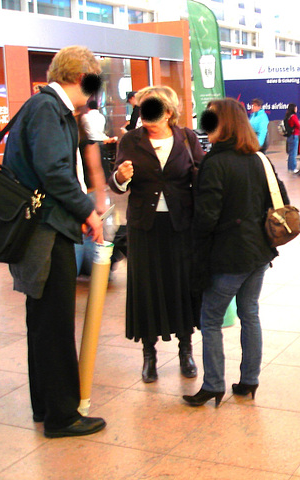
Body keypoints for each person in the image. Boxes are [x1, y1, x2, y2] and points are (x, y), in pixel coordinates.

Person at [3, 45, 106, 438]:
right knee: (55, 325)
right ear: (82, 78)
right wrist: (86, 211)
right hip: (45, 237)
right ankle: (62, 417)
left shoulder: (48, 108)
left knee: (44, 324)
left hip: (43, 231)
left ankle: (45, 406)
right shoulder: (48, 110)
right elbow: (54, 171)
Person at [184, 98, 290, 407]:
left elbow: (206, 218)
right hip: (259, 252)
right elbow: (280, 197)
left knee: (211, 319)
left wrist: (196, 255)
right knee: (250, 313)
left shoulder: (215, 163)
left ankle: (213, 384)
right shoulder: (259, 158)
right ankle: (248, 381)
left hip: (229, 256)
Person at [108, 86, 204, 384]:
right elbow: (116, 181)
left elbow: (202, 175)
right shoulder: (130, 140)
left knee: (181, 285)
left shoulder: (186, 138)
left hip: (180, 225)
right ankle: (149, 356)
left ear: (169, 112)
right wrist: (119, 179)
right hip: (144, 226)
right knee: (147, 287)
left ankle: (185, 350)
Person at [284, 103, 300, 173]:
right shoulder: (293, 116)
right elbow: (298, 125)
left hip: (289, 136)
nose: (296, 109)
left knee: (291, 152)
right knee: (294, 153)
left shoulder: (288, 116)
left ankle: (289, 168)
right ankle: (293, 168)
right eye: (296, 108)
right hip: (294, 135)